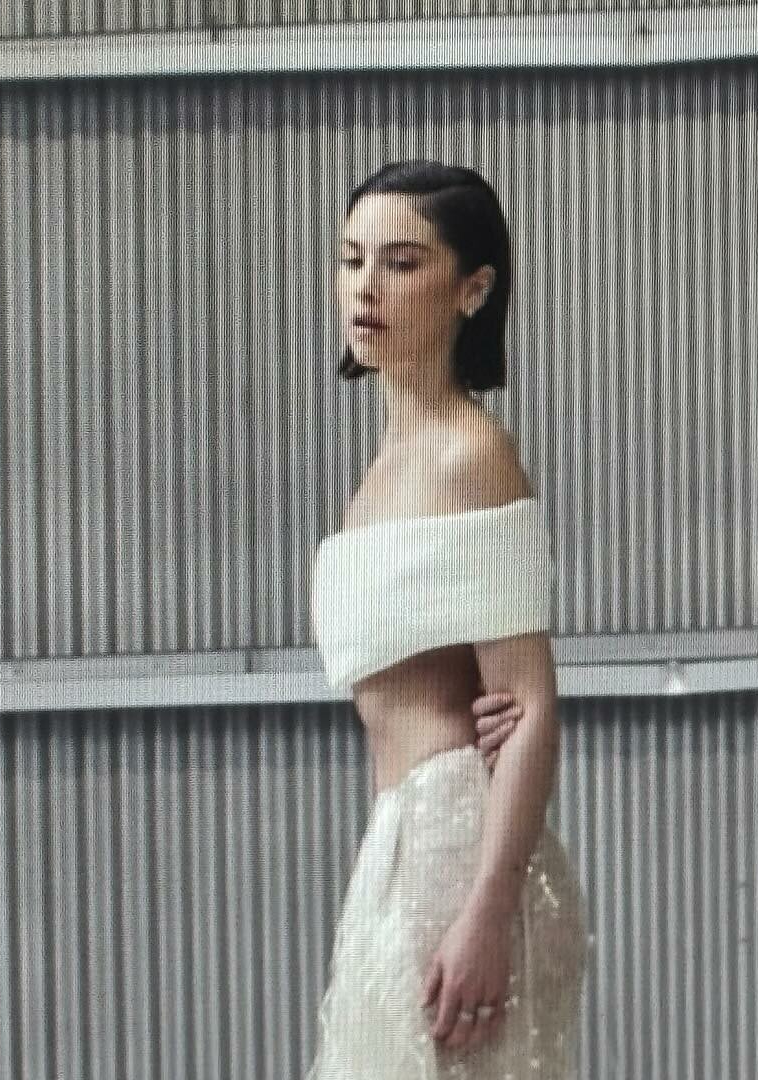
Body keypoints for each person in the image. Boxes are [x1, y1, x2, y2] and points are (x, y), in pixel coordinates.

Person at [305, 161, 588, 1078]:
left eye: (401, 262)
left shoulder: (472, 455)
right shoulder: (382, 473)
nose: (366, 287)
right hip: (402, 844)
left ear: (473, 288)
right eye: (351, 259)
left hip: (462, 859)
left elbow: (530, 704)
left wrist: (487, 914)